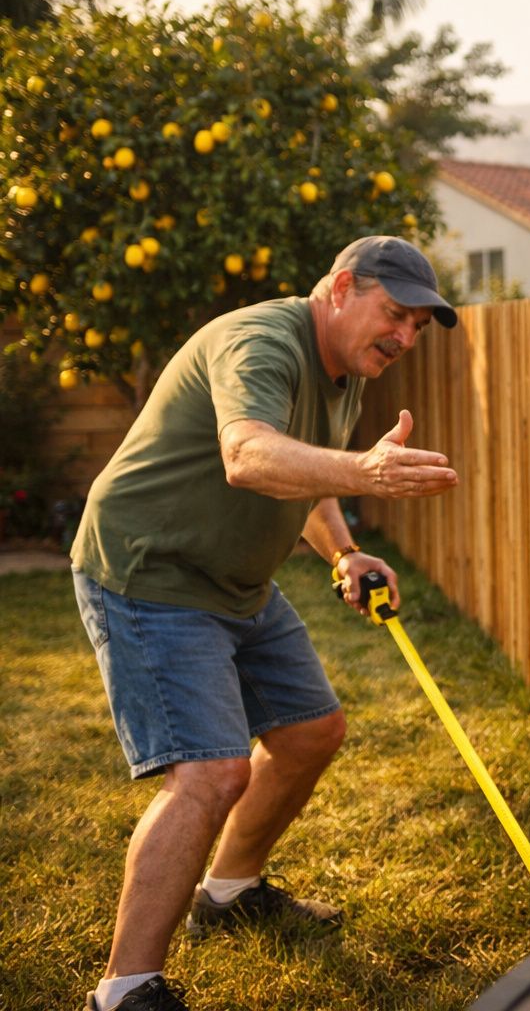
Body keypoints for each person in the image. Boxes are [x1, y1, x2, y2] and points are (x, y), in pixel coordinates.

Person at [71, 236, 461, 1011]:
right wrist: (365, 472)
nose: (405, 338)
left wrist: (345, 552)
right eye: (396, 315)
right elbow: (249, 455)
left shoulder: (343, 370)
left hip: (239, 583)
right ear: (342, 288)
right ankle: (126, 989)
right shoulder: (262, 341)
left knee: (310, 731)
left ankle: (230, 891)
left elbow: (305, 474)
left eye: (418, 327)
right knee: (212, 774)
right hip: (155, 572)